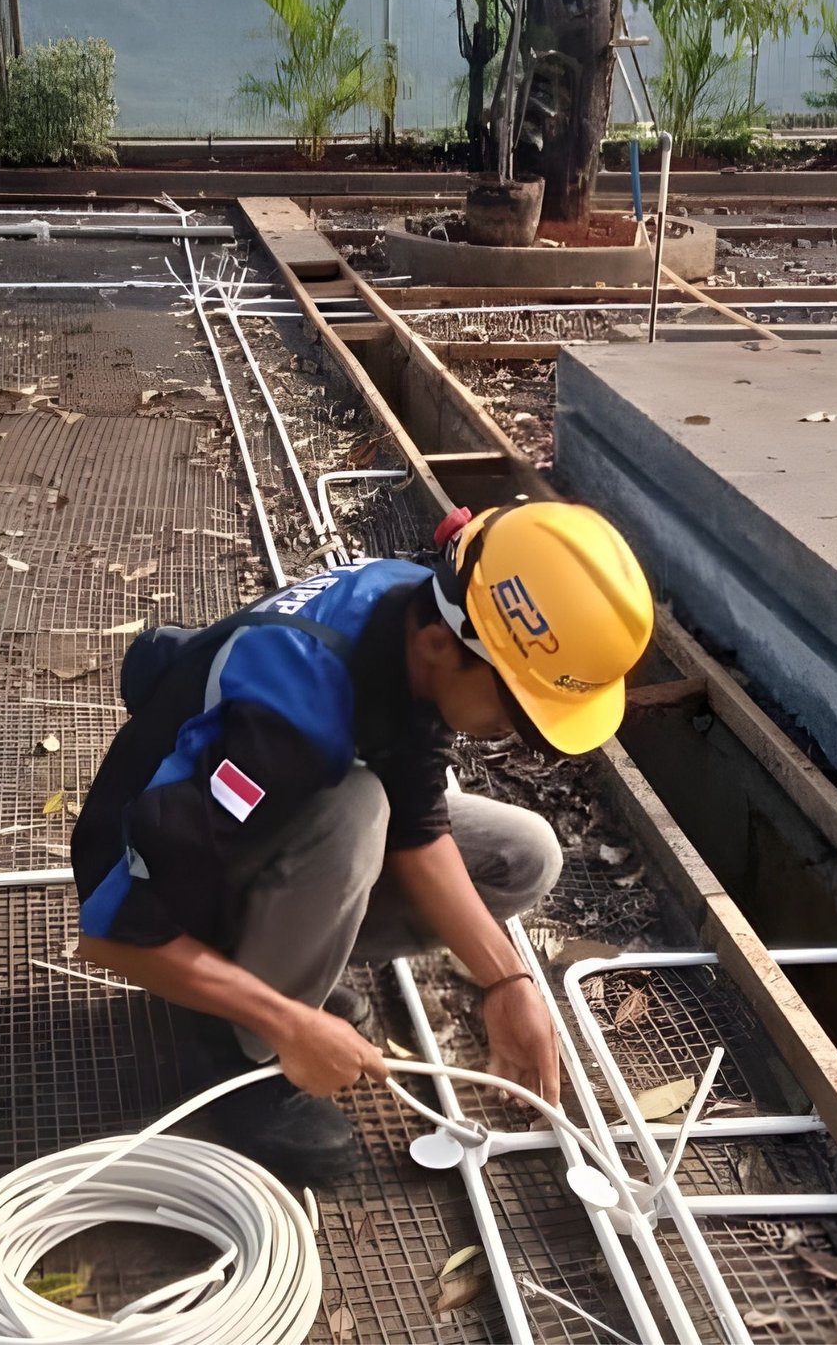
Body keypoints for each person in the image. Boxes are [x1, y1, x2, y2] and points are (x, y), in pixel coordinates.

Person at [71, 500, 655, 1182]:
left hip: (248, 836)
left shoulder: (411, 615)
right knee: (356, 812)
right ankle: (240, 1054)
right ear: (443, 646)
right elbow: (113, 933)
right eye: (515, 711)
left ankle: (271, 983)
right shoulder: (283, 722)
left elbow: (418, 820)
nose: (512, 734)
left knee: (524, 856)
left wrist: (508, 982)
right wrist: (289, 1025)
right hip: (151, 882)